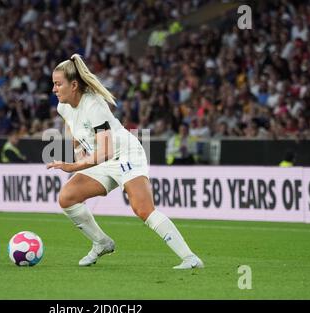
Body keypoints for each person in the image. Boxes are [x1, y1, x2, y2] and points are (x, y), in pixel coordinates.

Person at [47, 54, 203, 269]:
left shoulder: (94, 105)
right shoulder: (63, 106)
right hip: (101, 160)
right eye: (53, 84)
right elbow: (75, 130)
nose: (54, 89)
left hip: (125, 155)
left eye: (58, 84)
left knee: (142, 209)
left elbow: (106, 150)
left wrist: (73, 166)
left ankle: (190, 258)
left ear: (73, 85)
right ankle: (102, 243)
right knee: (67, 197)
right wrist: (77, 148)